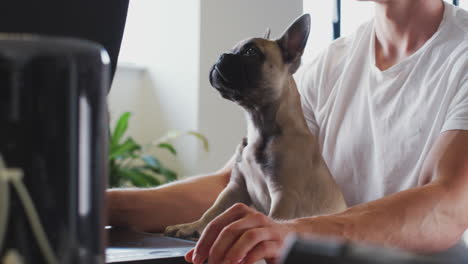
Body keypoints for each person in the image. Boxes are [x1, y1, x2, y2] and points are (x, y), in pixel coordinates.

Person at [107, 0, 468, 263]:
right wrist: (105, 205)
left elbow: (448, 204)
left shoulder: (461, 55)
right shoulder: (332, 63)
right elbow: (239, 185)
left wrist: (291, 232)